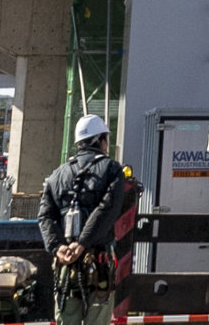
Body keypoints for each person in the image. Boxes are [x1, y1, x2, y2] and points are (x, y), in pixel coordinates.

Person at [39, 114, 137, 325]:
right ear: (100, 140)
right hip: (98, 265)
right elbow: (106, 210)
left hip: (66, 266)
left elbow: (45, 217)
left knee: (66, 319)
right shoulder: (112, 170)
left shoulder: (57, 175)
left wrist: (58, 247)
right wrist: (82, 243)